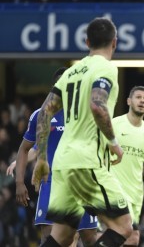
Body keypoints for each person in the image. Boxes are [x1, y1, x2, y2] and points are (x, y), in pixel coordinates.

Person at [31, 17, 133, 247]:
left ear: (87, 42)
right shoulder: (106, 68)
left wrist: (41, 157)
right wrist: (114, 142)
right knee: (124, 227)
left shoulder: (71, 72)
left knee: (62, 237)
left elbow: (45, 112)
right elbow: (98, 105)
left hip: (62, 163)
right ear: (114, 43)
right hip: (86, 162)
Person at [7, 67, 99, 246]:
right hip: (51, 182)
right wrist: (19, 180)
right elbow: (29, 148)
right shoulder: (41, 116)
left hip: (81, 181)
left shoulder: (86, 115)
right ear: (54, 87)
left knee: (88, 236)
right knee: (49, 235)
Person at [110, 85, 144, 246]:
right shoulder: (113, 124)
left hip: (135, 195)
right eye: (138, 97)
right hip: (114, 191)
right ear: (128, 101)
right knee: (126, 235)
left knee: (131, 240)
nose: (142, 101)